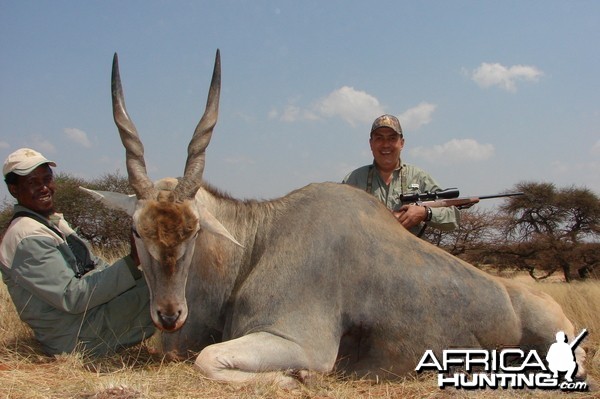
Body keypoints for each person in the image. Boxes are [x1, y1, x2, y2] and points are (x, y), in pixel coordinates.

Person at [0, 148, 155, 357]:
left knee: (161, 279)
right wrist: (133, 259)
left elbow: (94, 266)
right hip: (76, 337)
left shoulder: (52, 221)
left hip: (88, 316)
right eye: (32, 182)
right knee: (168, 290)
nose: (44, 187)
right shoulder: (26, 237)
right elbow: (72, 297)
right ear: (13, 190)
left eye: (47, 179)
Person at [343, 114, 459, 236]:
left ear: (402, 143)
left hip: (410, 253)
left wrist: (425, 213)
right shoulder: (353, 180)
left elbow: (452, 217)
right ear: (371, 143)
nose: (386, 144)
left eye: (392, 138)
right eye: (379, 138)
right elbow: (336, 217)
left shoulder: (419, 177)